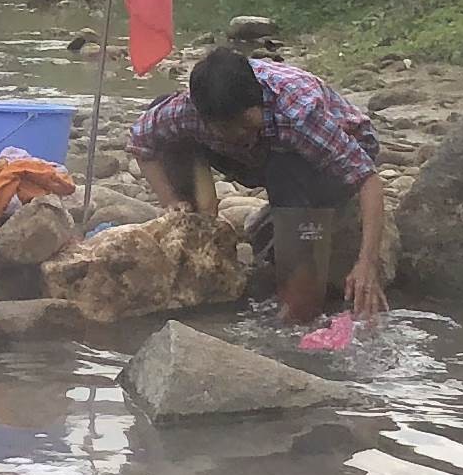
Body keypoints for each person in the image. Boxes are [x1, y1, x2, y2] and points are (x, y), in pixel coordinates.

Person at [131, 45, 391, 321]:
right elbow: (141, 142)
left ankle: (300, 302)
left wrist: (367, 264)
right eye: (226, 128)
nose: (239, 133)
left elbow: (367, 178)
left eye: (245, 123)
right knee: (170, 133)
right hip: (255, 158)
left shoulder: (298, 114)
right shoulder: (186, 112)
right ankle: (201, 242)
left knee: (285, 167)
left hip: (326, 161)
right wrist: (170, 201)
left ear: (259, 103)